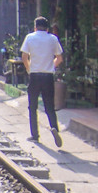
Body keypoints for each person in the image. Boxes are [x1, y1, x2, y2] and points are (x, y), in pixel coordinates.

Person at [20, 16, 64, 147]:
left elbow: (24, 57)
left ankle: (35, 135)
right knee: (49, 106)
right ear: (47, 28)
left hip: (35, 76)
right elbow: (59, 58)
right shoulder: (53, 39)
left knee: (32, 106)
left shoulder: (30, 37)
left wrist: (29, 69)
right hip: (48, 77)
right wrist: (51, 66)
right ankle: (54, 127)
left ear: (35, 27)